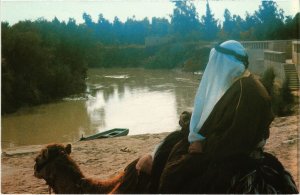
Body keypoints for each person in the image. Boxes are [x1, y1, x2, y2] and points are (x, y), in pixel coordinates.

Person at [131, 40, 298, 194]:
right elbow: (220, 117)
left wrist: (204, 145)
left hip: (236, 156)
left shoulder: (247, 92)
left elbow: (237, 139)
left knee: (174, 174)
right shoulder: (240, 83)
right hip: (227, 146)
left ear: (226, 63)